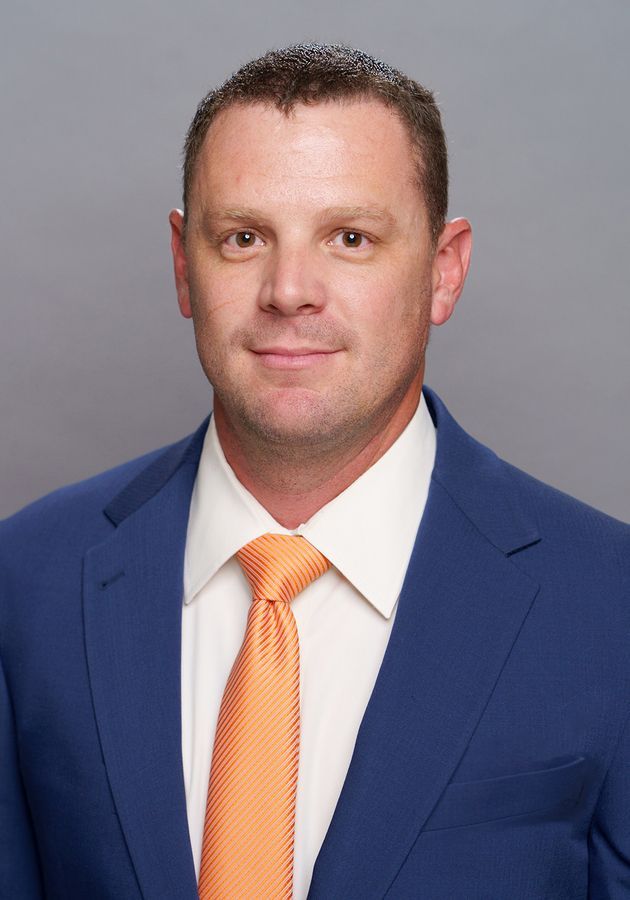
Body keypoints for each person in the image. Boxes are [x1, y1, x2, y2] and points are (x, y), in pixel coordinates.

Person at [1, 42, 629, 900]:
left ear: (443, 272)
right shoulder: (25, 579)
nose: (290, 290)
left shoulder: (609, 603)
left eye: (350, 237)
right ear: (185, 263)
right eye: (245, 236)